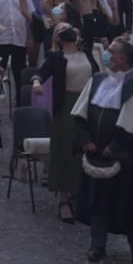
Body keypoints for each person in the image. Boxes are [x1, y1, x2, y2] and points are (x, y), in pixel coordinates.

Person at [73, 39, 133, 264]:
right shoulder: (97, 81)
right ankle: (97, 244)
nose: (105, 54)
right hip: (96, 155)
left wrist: (116, 147)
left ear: (122, 58)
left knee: (131, 203)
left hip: (124, 158)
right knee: (98, 201)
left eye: (110, 52)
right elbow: (80, 116)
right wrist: (85, 141)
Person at [31, 23, 98, 223]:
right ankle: (64, 198)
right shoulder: (55, 58)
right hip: (67, 105)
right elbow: (40, 73)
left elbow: (87, 20)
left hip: (89, 102)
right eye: (60, 31)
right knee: (64, 149)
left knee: (85, 149)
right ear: (57, 39)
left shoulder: (86, 52)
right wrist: (36, 83)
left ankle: (81, 193)